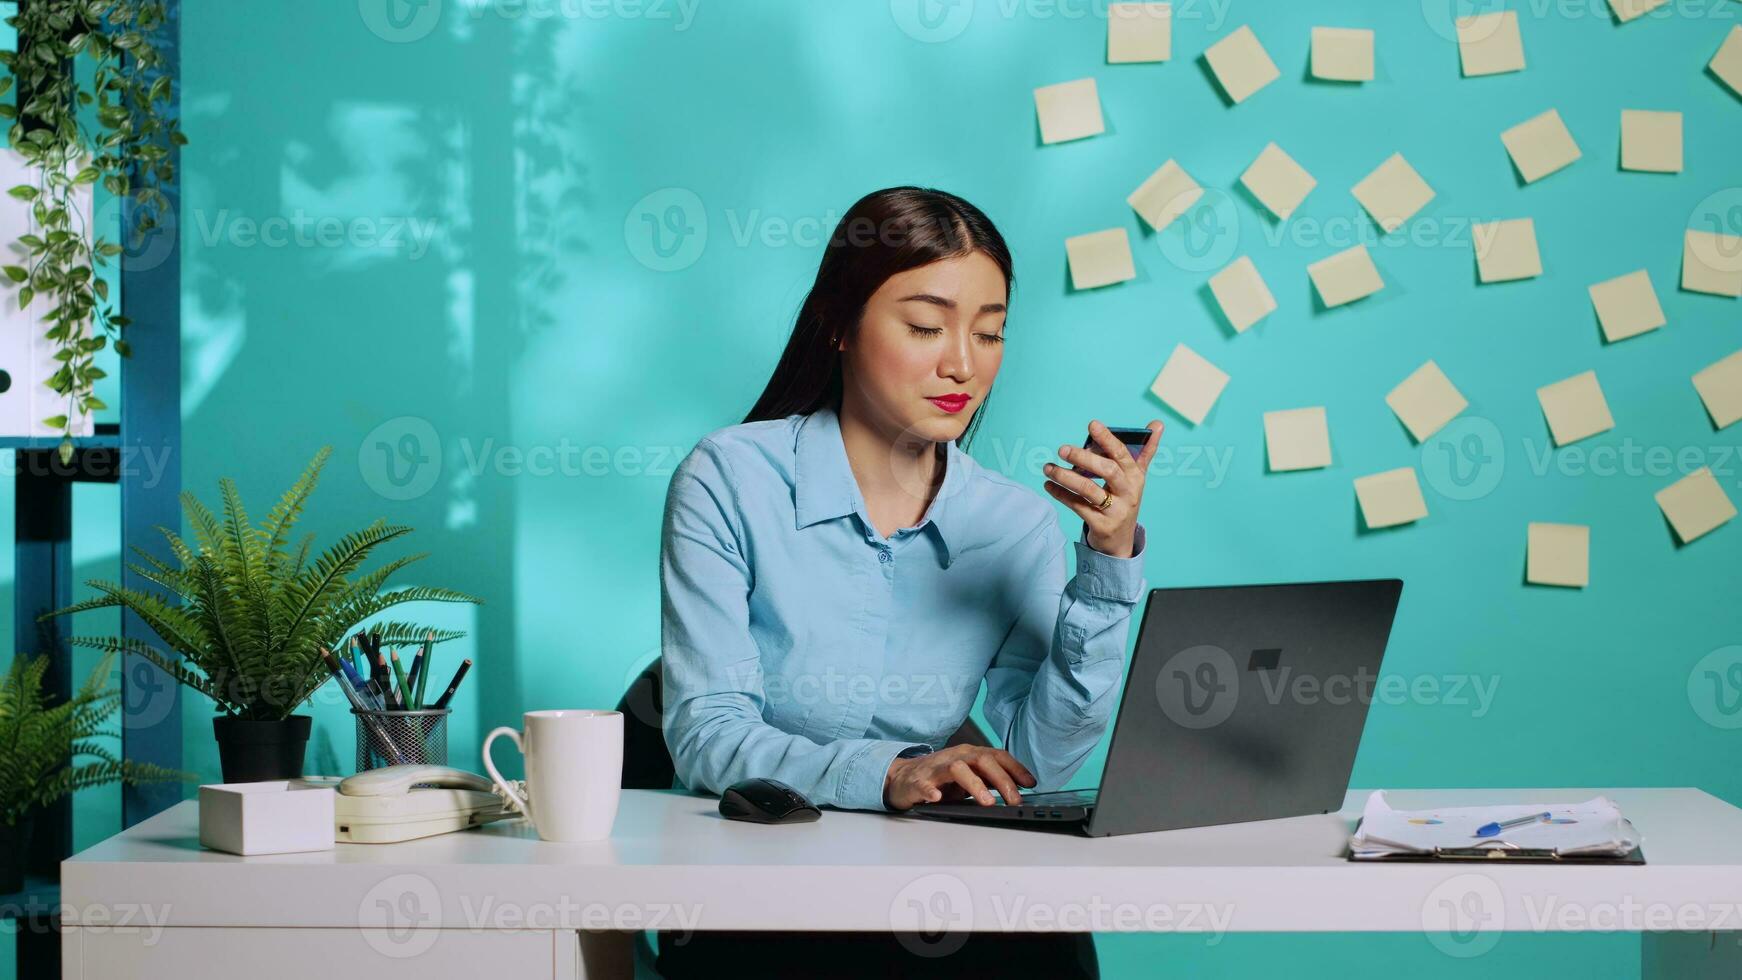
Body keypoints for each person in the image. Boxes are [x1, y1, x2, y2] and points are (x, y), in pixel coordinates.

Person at [655, 186, 1161, 979]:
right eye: (926, 326)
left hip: (943, 892)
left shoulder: (1013, 524)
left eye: (989, 333)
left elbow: (1039, 766)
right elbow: (705, 731)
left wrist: (1108, 560)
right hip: (763, 891)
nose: (962, 362)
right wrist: (888, 773)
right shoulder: (729, 478)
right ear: (838, 324)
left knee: (1047, 946)